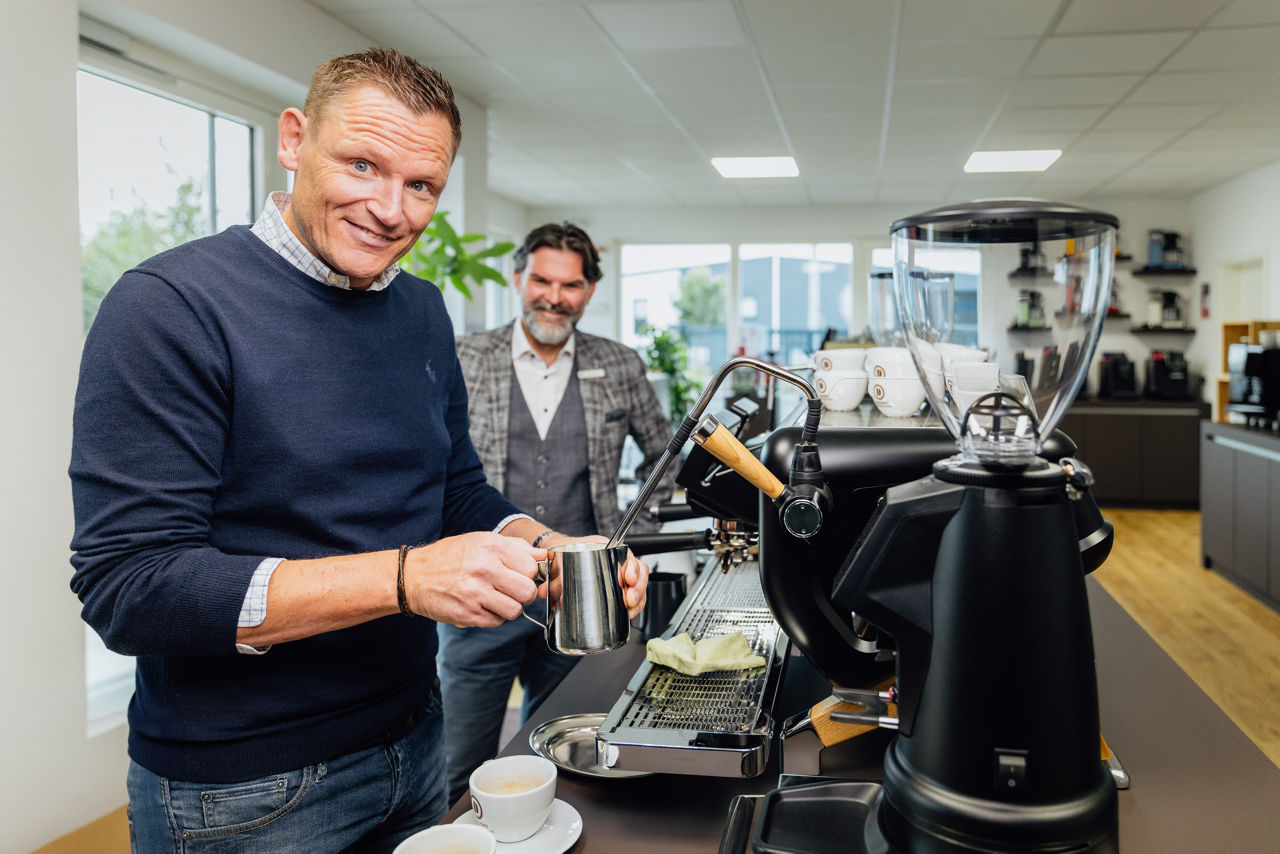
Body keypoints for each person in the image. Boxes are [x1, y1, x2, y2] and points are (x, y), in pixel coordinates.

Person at [68, 48, 647, 853]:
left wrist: (552, 548)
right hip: (244, 788)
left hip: (414, 744)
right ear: (294, 139)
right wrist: (408, 578)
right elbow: (130, 587)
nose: (390, 208)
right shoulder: (168, 307)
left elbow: (456, 495)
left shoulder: (420, 312)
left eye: (421, 185)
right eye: (362, 164)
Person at [439, 222, 676, 805]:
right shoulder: (466, 358)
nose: (553, 295)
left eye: (570, 285)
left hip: (582, 601)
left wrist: (626, 541)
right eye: (541, 280)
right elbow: (435, 469)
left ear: (588, 291)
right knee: (458, 765)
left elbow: (666, 454)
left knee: (581, 755)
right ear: (519, 279)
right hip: (481, 595)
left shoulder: (619, 364)